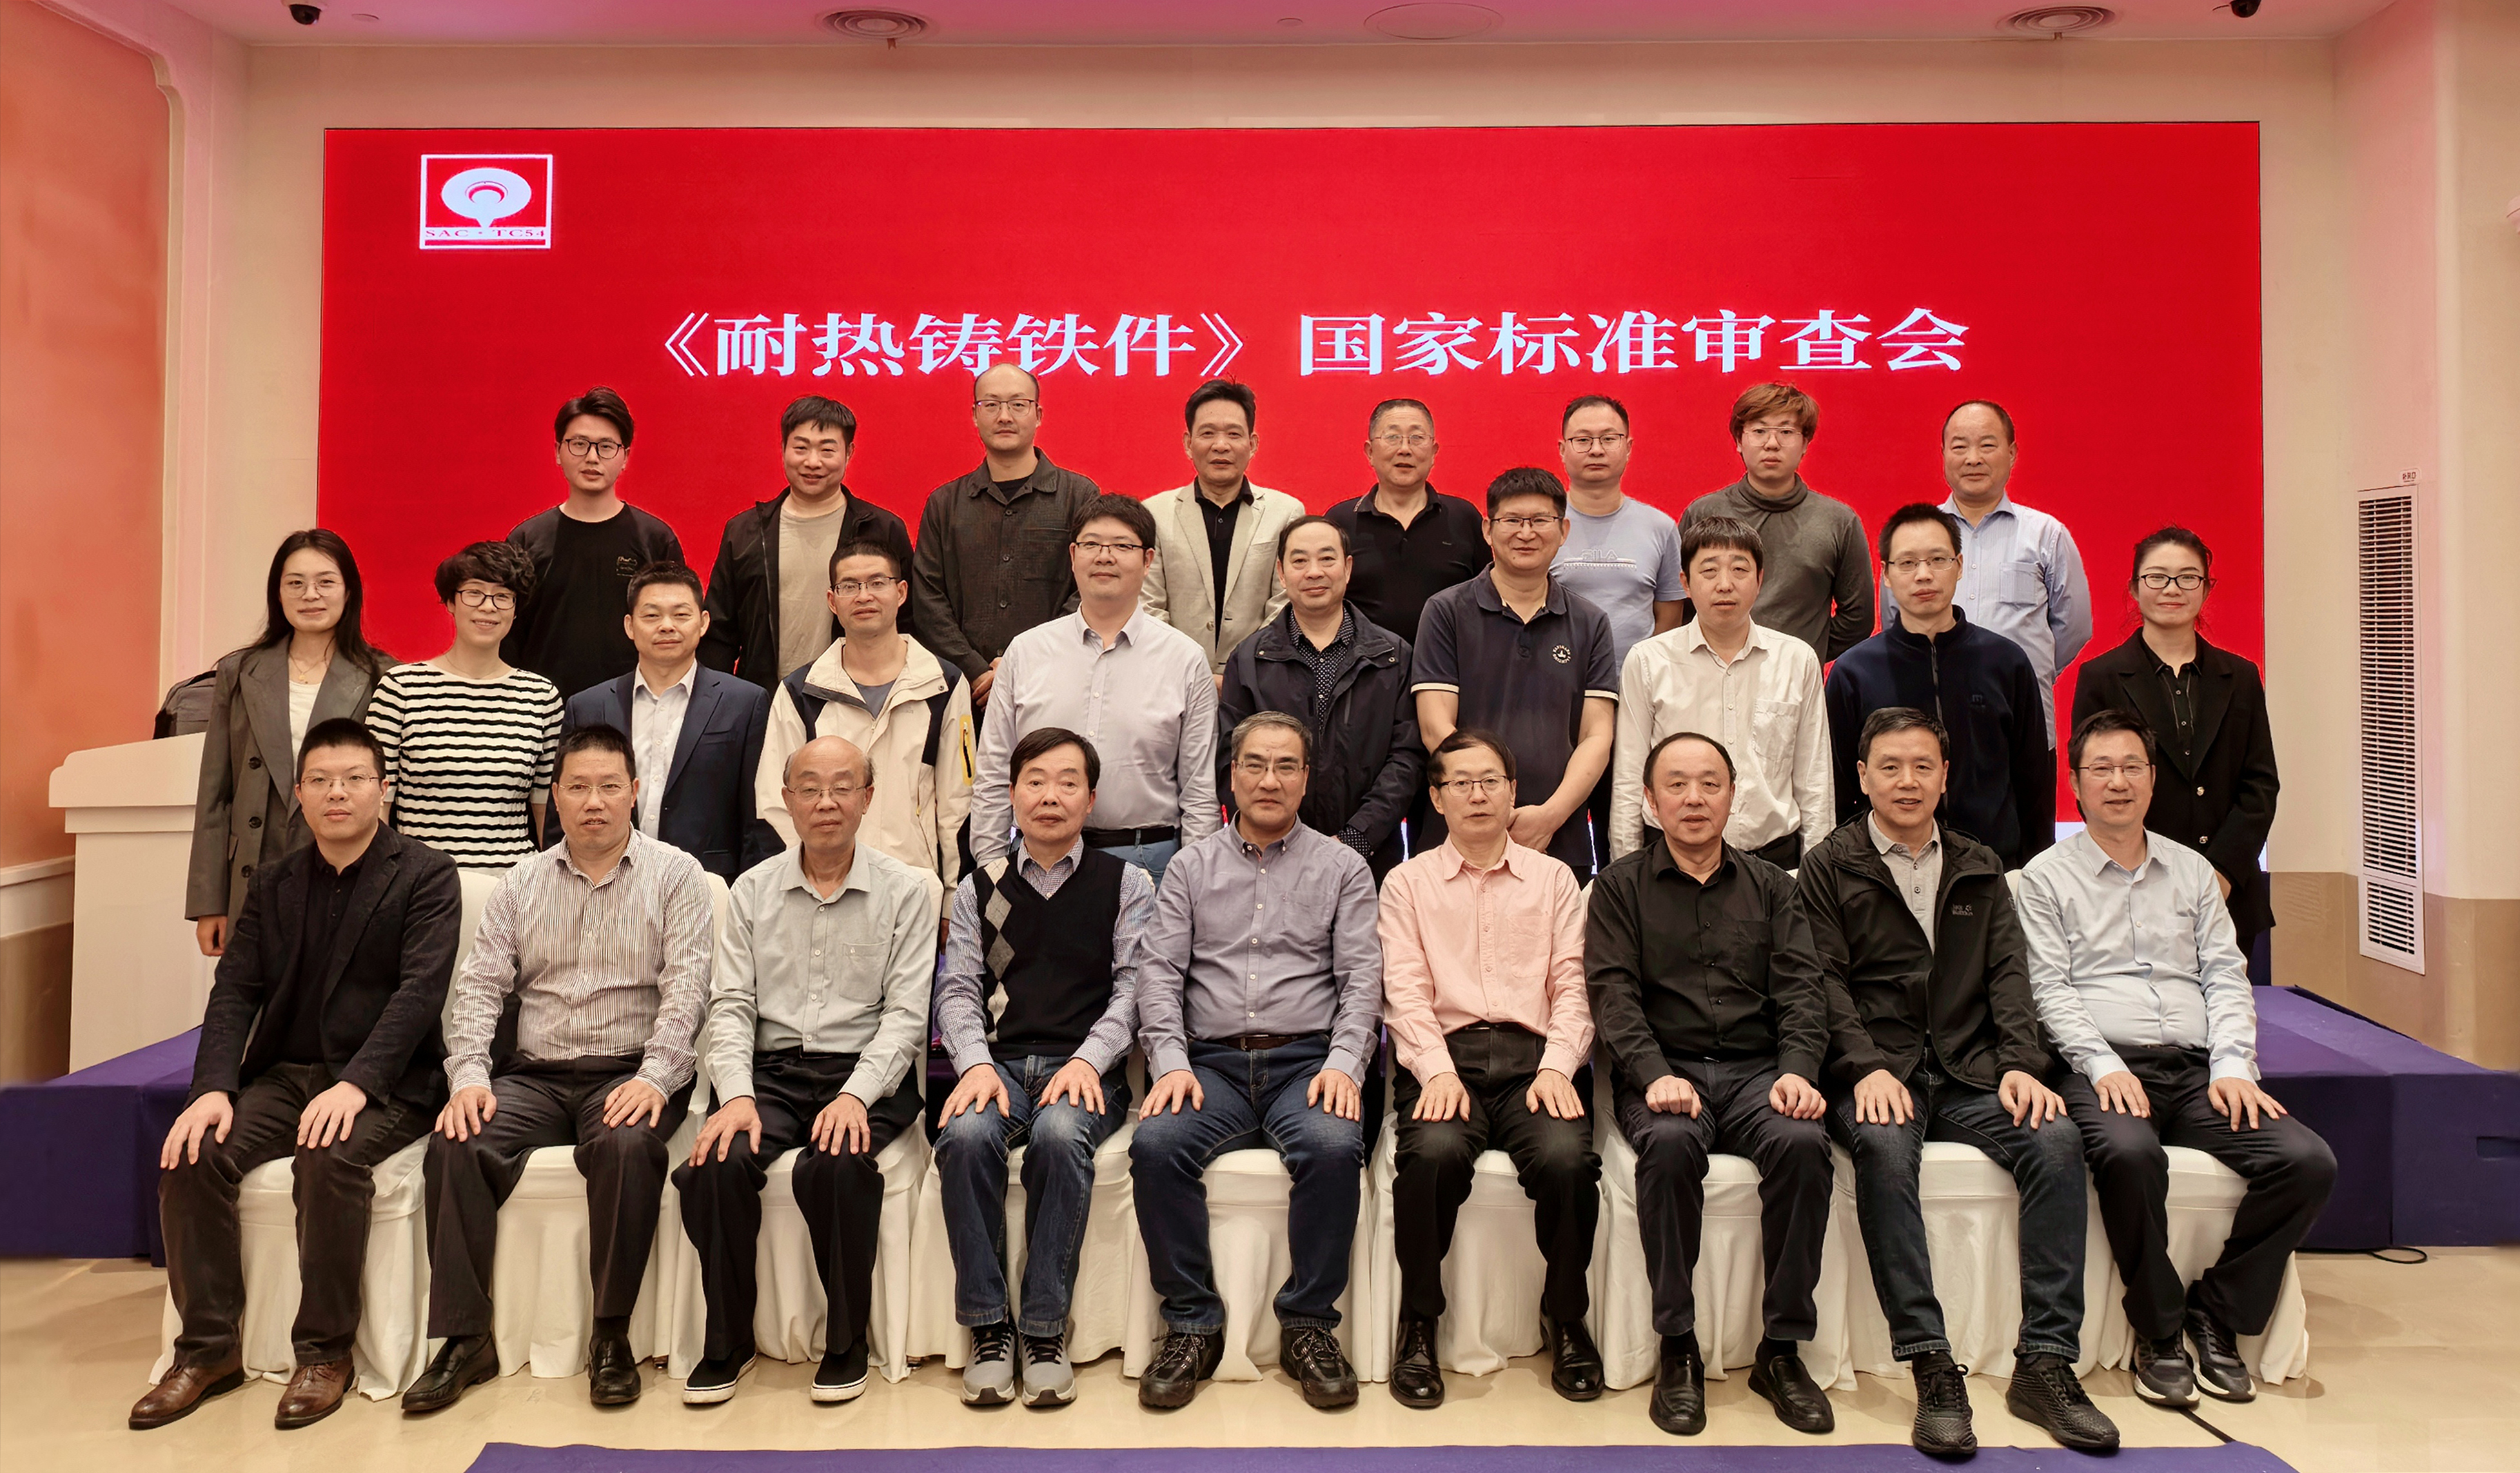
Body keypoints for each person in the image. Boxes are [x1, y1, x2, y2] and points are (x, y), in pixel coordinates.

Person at [1801, 707, 2118, 1458]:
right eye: (1889, 767)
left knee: (2055, 1138)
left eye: (1922, 766)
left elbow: (2010, 977)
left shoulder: (1979, 863)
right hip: (1876, 1072)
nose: (1906, 781)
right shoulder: (1828, 864)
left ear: (1944, 776)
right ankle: (1931, 1364)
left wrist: (2020, 1065)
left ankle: (2044, 1362)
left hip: (1970, 1068)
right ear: (1861, 777)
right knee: (1883, 1149)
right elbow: (1820, 983)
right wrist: (1864, 1067)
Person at [137, 720, 460, 1431]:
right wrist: (212, 1088)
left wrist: (357, 1083)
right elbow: (235, 990)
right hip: (287, 1075)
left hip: (386, 1080)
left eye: (353, 779)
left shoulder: (426, 874)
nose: (337, 793)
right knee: (193, 1152)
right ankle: (207, 1351)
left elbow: (419, 994)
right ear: (301, 794)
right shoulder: (274, 882)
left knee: (329, 1155)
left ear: (383, 788)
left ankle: (324, 1353)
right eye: (320, 780)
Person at [2020, 709, 2334, 1409]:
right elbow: (2048, 989)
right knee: (2129, 1154)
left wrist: (2233, 1066)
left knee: (2306, 1161)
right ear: (2075, 784)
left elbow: (2225, 975)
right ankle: (2158, 1330)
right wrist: (2102, 1065)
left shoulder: (2191, 871)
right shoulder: (2045, 877)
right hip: (2098, 1067)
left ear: (2153, 779)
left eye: (2131, 767)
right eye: (2101, 769)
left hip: (2196, 1070)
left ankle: (2216, 1312)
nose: (2118, 782)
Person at [406, 726, 713, 1414]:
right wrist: (469, 1079)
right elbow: (479, 988)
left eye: (609, 787)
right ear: (555, 796)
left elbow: (687, 989)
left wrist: (656, 1077)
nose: (593, 802)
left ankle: (611, 1335)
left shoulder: (675, 875)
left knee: (627, 1147)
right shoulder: (521, 881)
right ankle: (465, 1338)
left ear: (635, 793)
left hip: (630, 1070)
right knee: (455, 1141)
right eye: (577, 787)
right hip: (536, 1075)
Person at [673, 735, 940, 1407]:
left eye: (843, 786)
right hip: (772, 1073)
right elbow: (731, 1006)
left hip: (866, 1071)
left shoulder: (908, 891)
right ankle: (727, 1340)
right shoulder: (752, 890)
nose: (826, 801)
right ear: (787, 800)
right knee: (716, 1161)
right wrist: (735, 1095)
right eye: (811, 788)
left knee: (838, 1164)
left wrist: (855, 1096)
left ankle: (846, 1342)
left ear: (867, 798)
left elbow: (906, 1018)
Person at [1586, 730, 1836, 1438]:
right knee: (1667, 1148)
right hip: (1666, 1070)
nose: (1693, 798)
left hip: (1759, 1072)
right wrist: (1654, 1074)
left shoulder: (1772, 886)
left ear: (1733, 796)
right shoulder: (1619, 887)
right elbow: (1613, 997)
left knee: (1802, 1144)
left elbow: (1802, 989)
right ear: (1649, 799)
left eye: (1709, 784)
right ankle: (1677, 1346)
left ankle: (1781, 1350)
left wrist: (1798, 1071)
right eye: (1676, 784)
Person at [1129, 713, 1382, 1412]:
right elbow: (1159, 975)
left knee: (1333, 1145)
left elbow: (1362, 979)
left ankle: (1308, 1324)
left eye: (1286, 766)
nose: (1270, 780)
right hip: (1208, 1066)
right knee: (1156, 1145)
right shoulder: (1190, 867)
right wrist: (1170, 1063)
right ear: (1232, 775)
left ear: (1305, 779)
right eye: (1255, 764)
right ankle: (1192, 1323)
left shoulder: (1343, 868)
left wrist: (1343, 1064)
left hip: (1307, 1063)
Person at [1379, 729, 1600, 1411]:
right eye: (1460, 783)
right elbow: (1404, 990)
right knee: (1431, 1156)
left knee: (1567, 1162)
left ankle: (1566, 1317)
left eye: (1490, 782)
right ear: (1436, 798)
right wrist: (1437, 1071)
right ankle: (1419, 1321)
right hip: (1445, 1059)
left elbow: (1574, 986)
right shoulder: (1407, 882)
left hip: (1537, 1061)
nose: (1476, 795)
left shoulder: (1555, 879)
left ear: (1513, 793)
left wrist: (1559, 1065)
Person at [931, 727, 1153, 1409]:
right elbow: (957, 990)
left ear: (1091, 799)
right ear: (1011, 793)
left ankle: (1043, 1330)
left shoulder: (1126, 883)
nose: (1049, 796)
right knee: (965, 1137)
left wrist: (1087, 1060)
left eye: (1066, 783)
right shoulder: (980, 887)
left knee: (1059, 1136)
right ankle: (988, 1327)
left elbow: (1134, 990)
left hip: (1085, 1070)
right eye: (1034, 781)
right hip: (997, 1067)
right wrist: (974, 1065)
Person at [967, 495, 1217, 884]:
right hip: (1036, 857)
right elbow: (994, 771)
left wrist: (1193, 883)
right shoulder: (1026, 651)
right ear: (1073, 555)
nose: (1105, 557)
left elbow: (1199, 789)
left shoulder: (1184, 659)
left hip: (1148, 861)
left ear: (1148, 560)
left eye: (1122, 546)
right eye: (1092, 544)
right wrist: (991, 868)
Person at [2070, 528, 2280, 964]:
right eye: (2157, 577)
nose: (2172, 589)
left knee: (2227, 1004)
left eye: (2188, 577)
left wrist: (2220, 874)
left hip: (2229, 894)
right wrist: (2146, 872)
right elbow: (2095, 785)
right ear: (2134, 588)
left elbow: (2260, 786)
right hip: (2134, 891)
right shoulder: (2101, 677)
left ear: (2207, 588)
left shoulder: (2240, 677)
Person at [188, 529, 394, 956]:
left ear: (349, 591)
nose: (310, 595)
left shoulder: (384, 676)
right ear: (277, 593)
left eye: (325, 582)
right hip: (254, 870)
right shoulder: (240, 671)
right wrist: (210, 903)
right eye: (295, 583)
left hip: (343, 869)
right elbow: (214, 793)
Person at [1412, 467, 1617, 880]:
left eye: (1540, 521)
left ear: (1563, 531)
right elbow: (1435, 726)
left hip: (1558, 838)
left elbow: (1597, 736)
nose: (1526, 533)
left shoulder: (1590, 621)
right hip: (1460, 836)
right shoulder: (1446, 611)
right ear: (1488, 530)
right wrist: (1491, 808)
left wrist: (1551, 816)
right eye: (1512, 521)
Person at [1827, 504, 2054, 871]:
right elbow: (1840, 787)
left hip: (1993, 867)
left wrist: (2036, 870)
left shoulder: (2006, 662)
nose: (1924, 575)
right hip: (1886, 870)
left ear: (1959, 566)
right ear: (1886, 574)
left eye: (1938, 560)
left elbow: (2034, 781)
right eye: (1907, 563)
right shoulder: (1853, 672)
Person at [1608, 515, 1831, 869]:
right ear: (1685, 582)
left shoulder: (1797, 660)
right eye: (1709, 571)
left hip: (1774, 864)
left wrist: (1816, 878)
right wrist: (1625, 874)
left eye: (1740, 570)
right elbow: (1629, 778)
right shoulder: (1649, 661)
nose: (1725, 585)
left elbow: (1815, 781)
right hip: (1671, 865)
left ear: (1759, 580)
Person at [757, 539, 974, 885]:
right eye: (849, 586)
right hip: (825, 887)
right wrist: (809, 882)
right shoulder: (800, 692)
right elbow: (775, 803)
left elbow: (958, 805)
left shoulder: (943, 685)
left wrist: (951, 896)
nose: (864, 596)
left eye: (877, 583)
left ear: (901, 593)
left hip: (915, 886)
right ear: (832, 601)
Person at [1216, 515, 1421, 880]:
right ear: (1281, 573)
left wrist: (1355, 839)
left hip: (1371, 858)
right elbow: (1231, 761)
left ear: (1348, 568)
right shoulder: (1249, 660)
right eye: (1299, 561)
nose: (1314, 572)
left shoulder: (1393, 656)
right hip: (1270, 857)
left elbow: (1407, 758)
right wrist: (1282, 838)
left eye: (1327, 559)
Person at [1881, 402, 2091, 753]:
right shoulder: (1913, 536)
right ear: (1943, 454)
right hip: (1928, 729)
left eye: (1987, 445)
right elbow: (1894, 623)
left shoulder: (2046, 535)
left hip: (2020, 724)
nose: (1973, 458)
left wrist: (2022, 674)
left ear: (2012, 453)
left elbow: (2075, 626)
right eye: (1960, 446)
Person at [564, 564, 776, 880]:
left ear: (704, 623)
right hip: (604, 885)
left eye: (681, 615)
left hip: (711, 884)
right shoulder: (588, 707)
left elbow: (758, 818)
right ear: (630, 626)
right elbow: (564, 810)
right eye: (652, 616)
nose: (666, 626)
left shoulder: (745, 703)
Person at [911, 364, 1103, 708]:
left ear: (1038, 414)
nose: (1004, 416)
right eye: (991, 405)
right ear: (975, 415)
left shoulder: (1079, 496)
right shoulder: (945, 503)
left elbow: (1089, 590)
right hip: (966, 692)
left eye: (1018, 404)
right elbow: (928, 600)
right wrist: (975, 670)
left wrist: (1024, 663)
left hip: (1057, 686)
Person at [697, 395, 918, 689]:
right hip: (766, 698)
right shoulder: (744, 532)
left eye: (827, 450)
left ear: (849, 452)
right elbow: (719, 633)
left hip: (861, 696)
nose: (813, 462)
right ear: (783, 449)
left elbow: (909, 624)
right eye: (801, 448)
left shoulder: (882, 529)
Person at [368, 542, 564, 869]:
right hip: (423, 885)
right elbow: (376, 805)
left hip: (513, 886)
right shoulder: (401, 688)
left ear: (516, 609)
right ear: (450, 602)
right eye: (474, 593)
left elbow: (547, 811)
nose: (488, 607)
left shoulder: (541, 697)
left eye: (503, 596)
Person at [1554, 394, 1687, 869]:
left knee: (1630, 824)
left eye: (1608, 439)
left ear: (1628, 448)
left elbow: (1669, 614)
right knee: (1560, 828)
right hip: (1559, 701)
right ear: (1562, 449)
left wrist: (1640, 674)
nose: (1596, 449)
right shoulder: (1542, 525)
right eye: (1582, 440)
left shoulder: (1659, 528)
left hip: (1634, 702)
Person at [502, 386, 688, 702]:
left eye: (606, 447)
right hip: (542, 708)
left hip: (634, 708)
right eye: (579, 444)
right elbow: (507, 636)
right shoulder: (526, 540)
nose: (592, 458)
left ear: (625, 457)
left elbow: (676, 632)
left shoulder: (655, 539)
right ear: (558, 452)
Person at [1680, 382, 1872, 663]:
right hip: (1711, 671)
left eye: (1786, 432)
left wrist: (1804, 653)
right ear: (1739, 441)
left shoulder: (1838, 521)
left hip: (1796, 678)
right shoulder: (1703, 513)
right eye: (1759, 431)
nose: (1772, 444)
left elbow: (1858, 618)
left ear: (1805, 444)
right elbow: (1683, 606)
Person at [1140, 378, 1306, 675]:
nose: (1221, 445)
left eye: (1233, 434)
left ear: (1252, 445)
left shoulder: (1286, 513)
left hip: (1259, 676)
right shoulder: (1155, 513)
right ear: (1188, 444)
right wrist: (1191, 671)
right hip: (1173, 675)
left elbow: (1286, 604)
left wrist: (1243, 670)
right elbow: (1149, 605)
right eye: (1207, 434)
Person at [1324, 399, 1489, 646]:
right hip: (1363, 664)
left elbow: (1487, 598)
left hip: (1449, 663)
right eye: (1392, 437)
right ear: (1370, 452)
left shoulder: (1464, 517)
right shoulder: (1340, 521)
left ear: (1434, 452)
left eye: (1417, 438)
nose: (1405, 449)